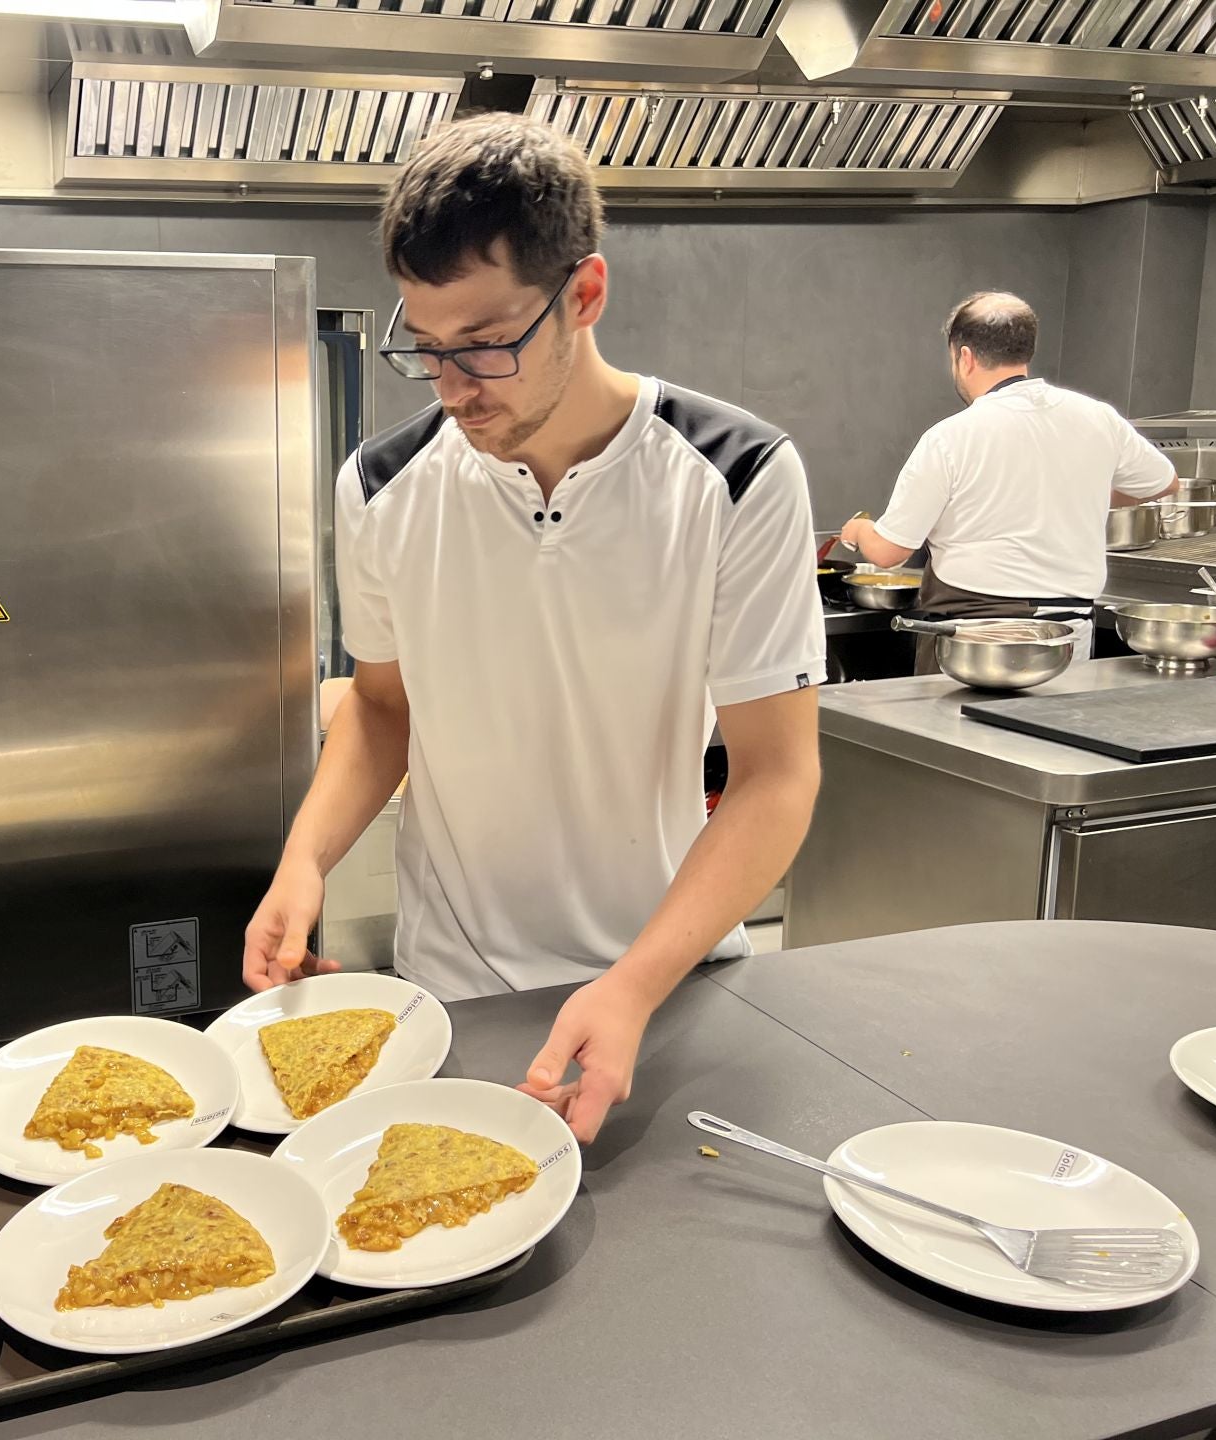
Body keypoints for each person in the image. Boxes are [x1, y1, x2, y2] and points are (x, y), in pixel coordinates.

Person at [239, 113, 826, 1144]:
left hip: (665, 981)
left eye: (486, 344)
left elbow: (776, 777)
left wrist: (633, 985)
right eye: (427, 349)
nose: (454, 388)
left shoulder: (735, 476)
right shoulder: (381, 486)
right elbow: (382, 709)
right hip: (455, 990)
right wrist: (305, 858)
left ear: (584, 294)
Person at [839, 292, 1176, 666]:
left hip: (976, 639)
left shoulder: (951, 437)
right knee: (1059, 708)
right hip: (1068, 635)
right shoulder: (1098, 418)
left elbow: (889, 553)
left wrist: (860, 531)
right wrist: (1083, 493)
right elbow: (1163, 484)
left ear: (965, 357)